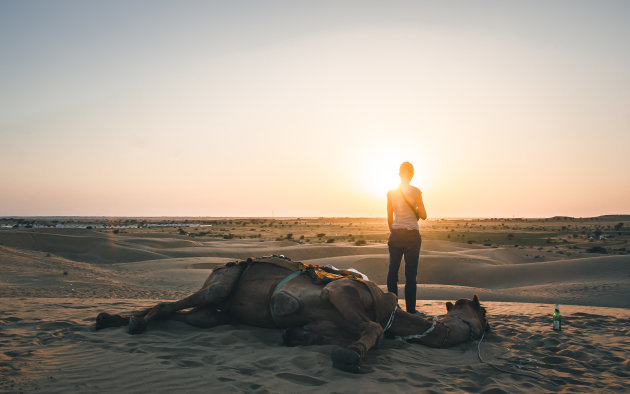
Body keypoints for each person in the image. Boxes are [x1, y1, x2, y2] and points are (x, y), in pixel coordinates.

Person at [386, 161, 427, 315]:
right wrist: (416, 207)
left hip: (395, 234)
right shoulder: (416, 192)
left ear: (399, 173)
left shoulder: (391, 193)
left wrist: (394, 232)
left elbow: (389, 218)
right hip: (412, 236)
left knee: (392, 272)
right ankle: (411, 312)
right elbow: (423, 216)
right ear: (412, 174)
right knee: (410, 275)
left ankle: (393, 309)